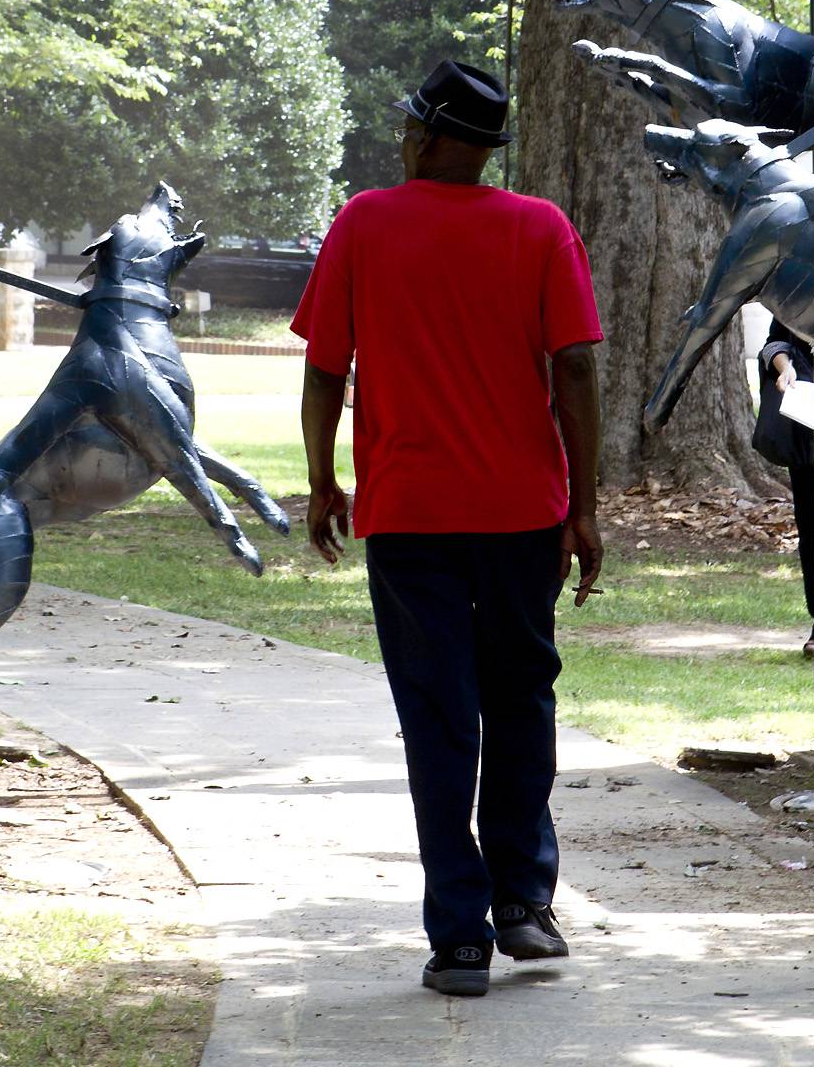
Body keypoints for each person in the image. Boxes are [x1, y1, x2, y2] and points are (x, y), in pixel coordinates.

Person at [292, 59, 604, 999]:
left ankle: (458, 938)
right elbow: (577, 371)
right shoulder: (540, 227)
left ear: (425, 135)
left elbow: (323, 371)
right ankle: (524, 904)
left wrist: (320, 481)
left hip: (411, 514)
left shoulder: (364, 222)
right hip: (522, 514)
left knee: (438, 715)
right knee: (520, 700)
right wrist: (584, 506)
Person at [753, 314, 814, 657]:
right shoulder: (801, 286)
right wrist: (785, 367)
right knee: (812, 529)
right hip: (808, 427)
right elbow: (773, 345)